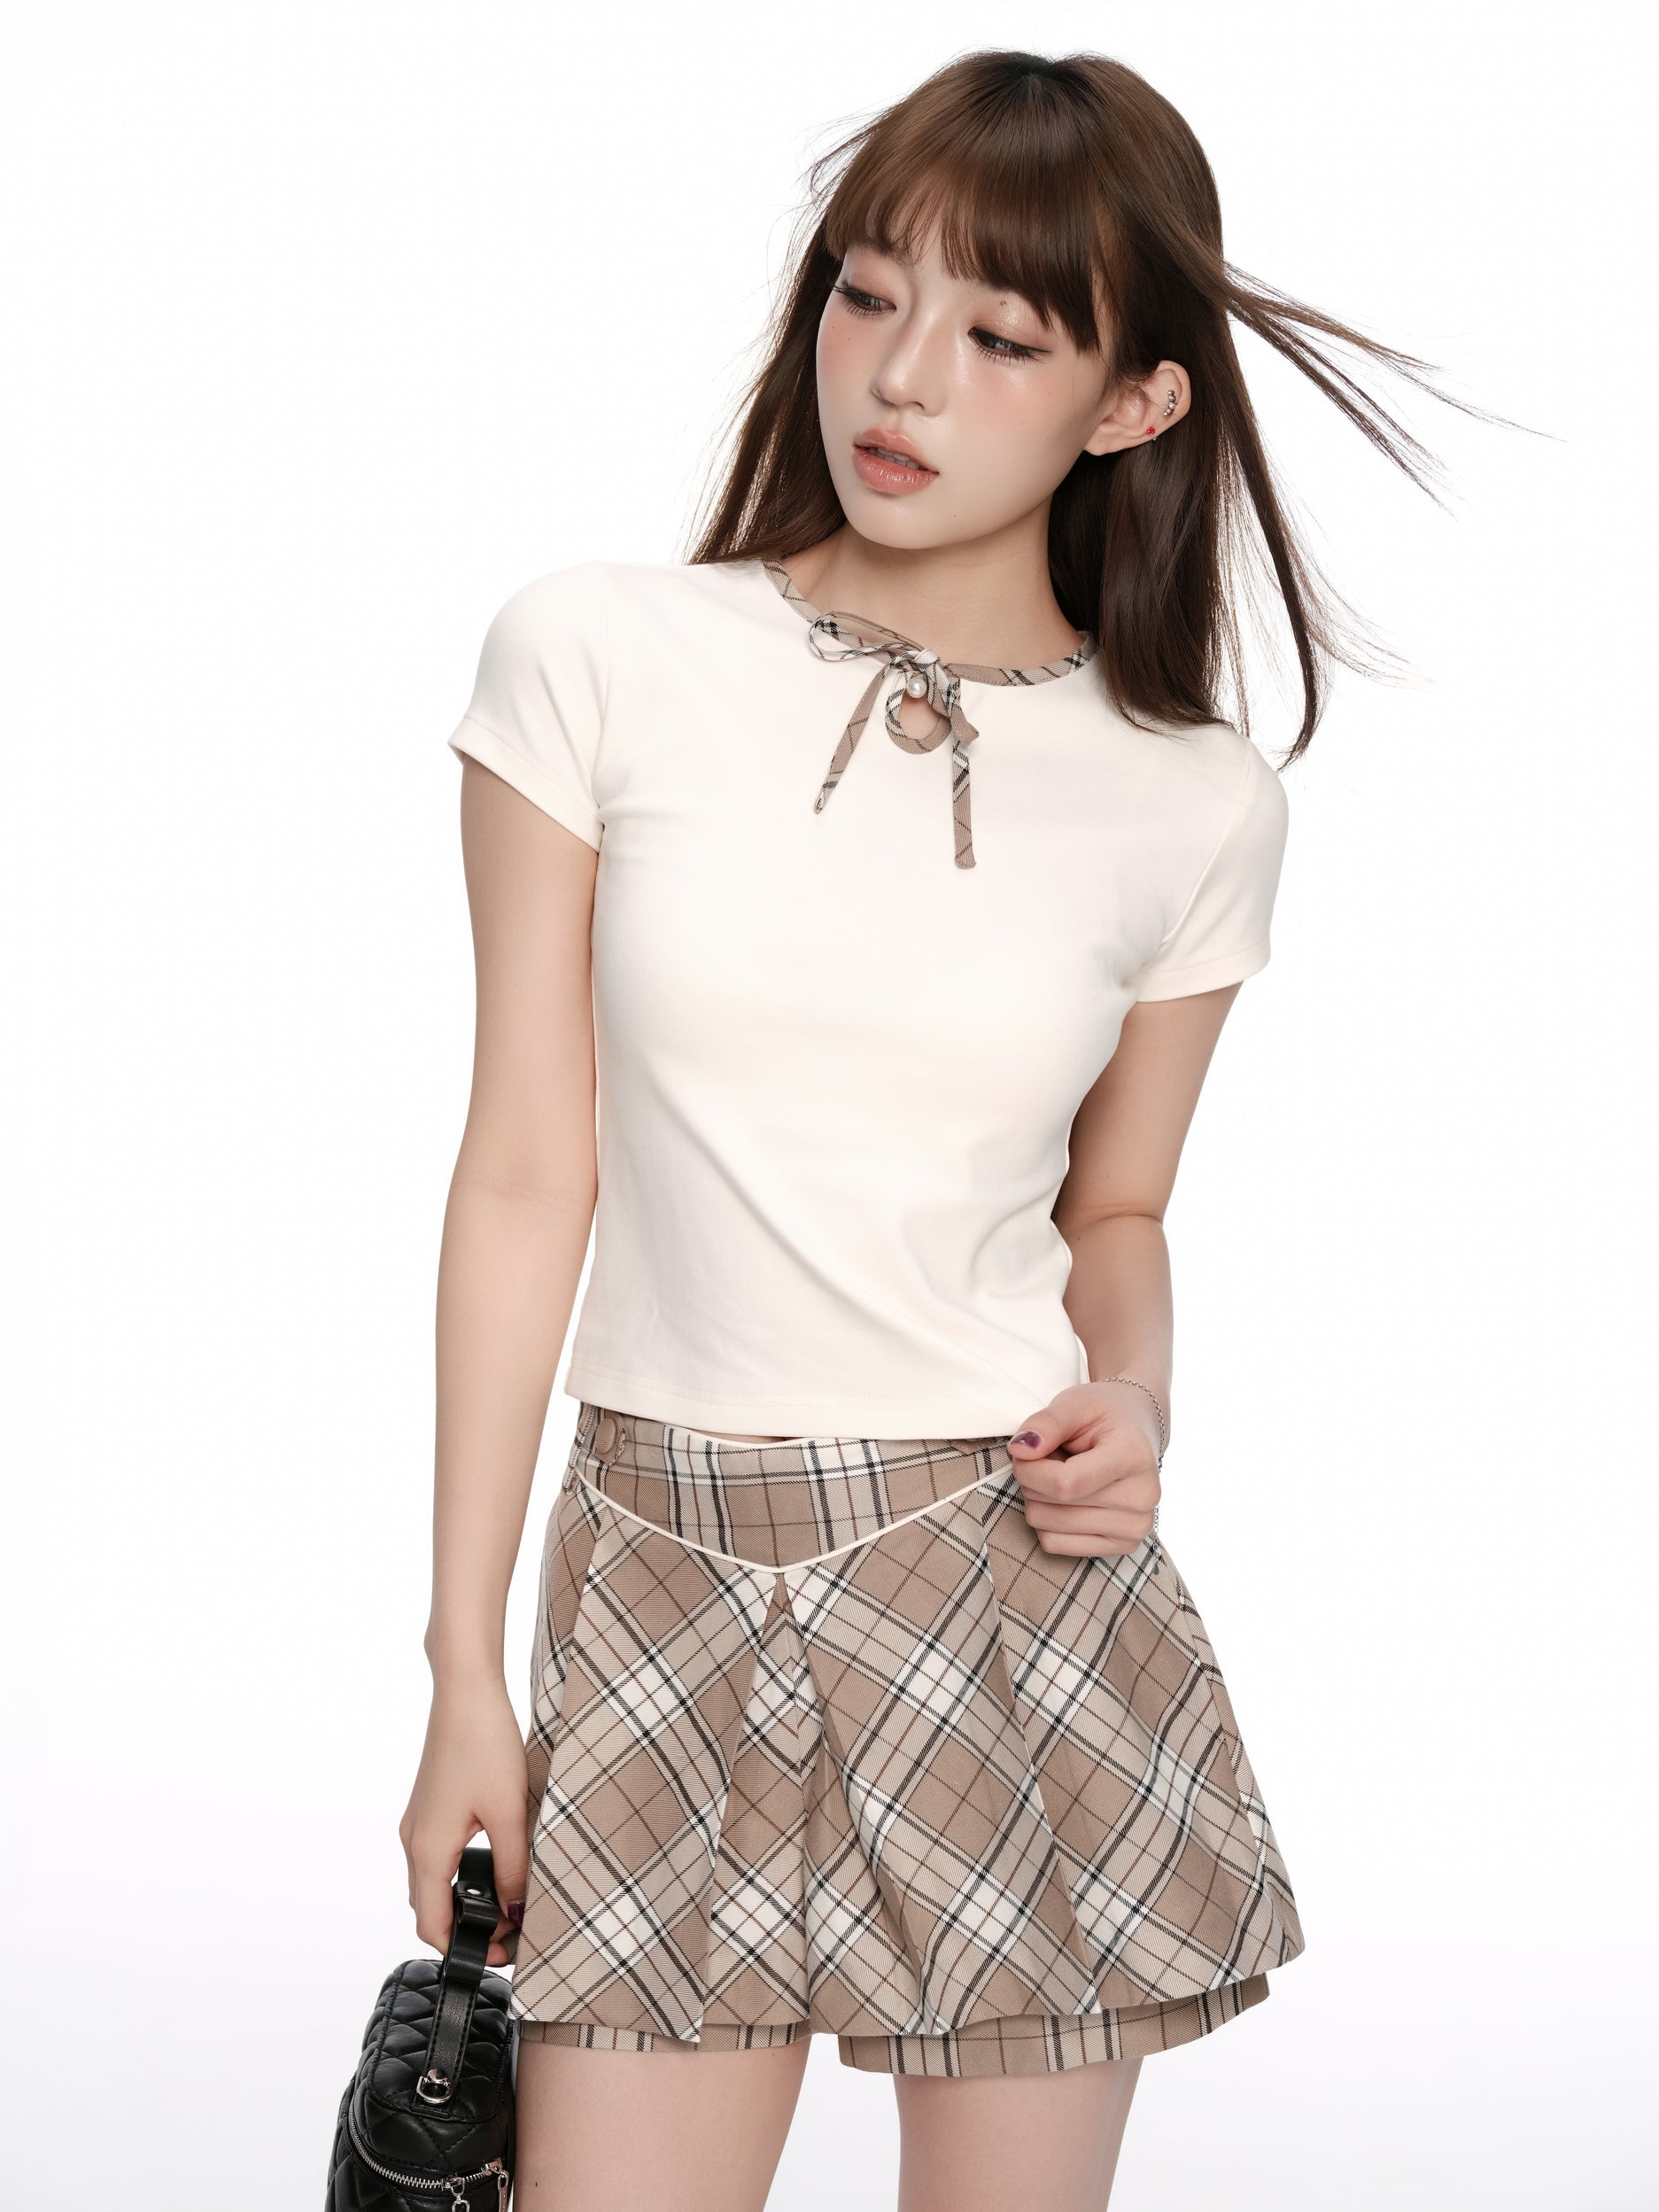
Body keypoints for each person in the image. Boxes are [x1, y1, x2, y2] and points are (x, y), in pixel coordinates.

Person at [400, 47, 1478, 2212]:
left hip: (1006, 1585)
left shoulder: (1191, 798)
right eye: (867, 293)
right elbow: (525, 1168)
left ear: (1134, 403)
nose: (899, 378)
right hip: (661, 1577)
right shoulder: (599, 655)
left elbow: (1120, 1207)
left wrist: (1139, 1398)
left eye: (1000, 337)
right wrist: (461, 1668)